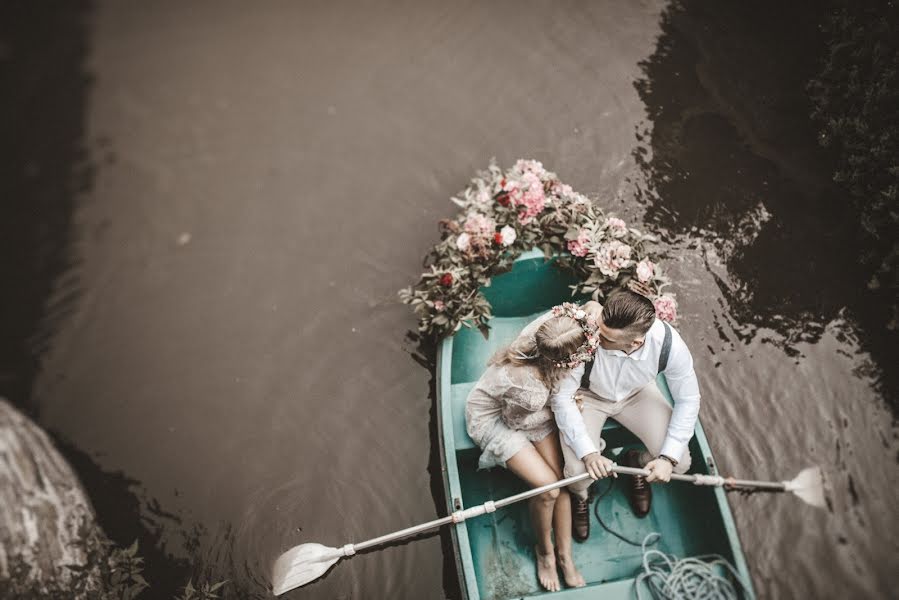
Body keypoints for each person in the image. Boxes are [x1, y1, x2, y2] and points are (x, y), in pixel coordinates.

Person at [544, 289, 700, 542]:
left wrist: (667, 459)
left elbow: (688, 400)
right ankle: (581, 497)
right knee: (577, 470)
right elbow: (562, 397)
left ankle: (636, 462)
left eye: (605, 337)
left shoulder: (670, 346)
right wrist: (590, 453)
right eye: (599, 326)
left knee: (681, 462)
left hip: (637, 394)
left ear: (635, 342)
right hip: (588, 396)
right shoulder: (587, 332)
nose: (594, 335)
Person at [465, 306, 596, 591]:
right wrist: (566, 406)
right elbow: (514, 420)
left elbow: (592, 309)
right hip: (497, 420)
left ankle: (565, 556)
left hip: (530, 410)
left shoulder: (553, 326)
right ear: (564, 363)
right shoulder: (532, 390)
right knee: (549, 490)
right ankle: (545, 552)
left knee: (564, 477)